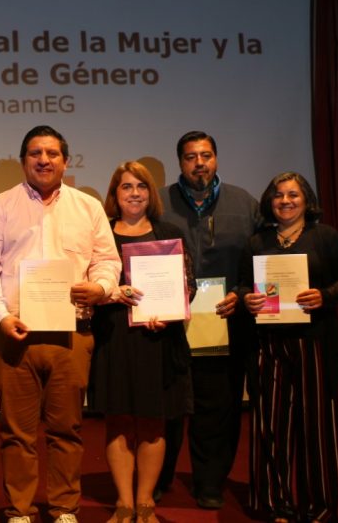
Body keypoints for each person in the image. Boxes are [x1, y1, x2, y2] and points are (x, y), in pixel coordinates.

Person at [0, 125, 121, 523]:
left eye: (52, 153)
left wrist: (101, 287)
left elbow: (108, 261)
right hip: (14, 332)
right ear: (23, 161)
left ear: (65, 161)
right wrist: (1, 316)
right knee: (16, 432)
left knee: (67, 430)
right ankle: (20, 509)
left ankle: (63, 508)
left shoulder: (87, 207)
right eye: (35, 153)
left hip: (71, 333)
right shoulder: (0, 206)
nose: (43, 159)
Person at [238, 172, 338, 523]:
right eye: (278, 195)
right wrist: (248, 299)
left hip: (314, 344)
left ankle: (318, 508)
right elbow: (243, 284)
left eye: (293, 194)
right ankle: (275, 505)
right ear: (269, 201)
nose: (285, 201)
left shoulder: (326, 237)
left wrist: (324, 295)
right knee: (270, 425)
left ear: (306, 200)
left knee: (316, 428)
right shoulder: (257, 241)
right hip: (268, 344)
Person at [156, 131, 261, 509]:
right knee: (167, 407)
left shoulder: (244, 203)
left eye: (206, 155)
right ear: (179, 162)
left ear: (216, 158)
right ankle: (159, 478)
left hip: (224, 320)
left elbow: (260, 258)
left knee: (218, 407)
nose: (199, 163)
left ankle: (210, 483)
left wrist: (243, 290)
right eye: (190, 157)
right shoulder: (160, 202)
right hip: (171, 323)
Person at [88, 162, 196, 523]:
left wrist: (169, 312)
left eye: (141, 187)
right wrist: (111, 293)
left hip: (159, 339)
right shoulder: (101, 235)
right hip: (115, 337)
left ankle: (146, 502)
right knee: (118, 422)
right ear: (114, 195)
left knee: (154, 423)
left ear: (151, 194)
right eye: (126, 187)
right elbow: (87, 285)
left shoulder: (169, 232)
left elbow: (187, 286)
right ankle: (124, 503)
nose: (134, 193)